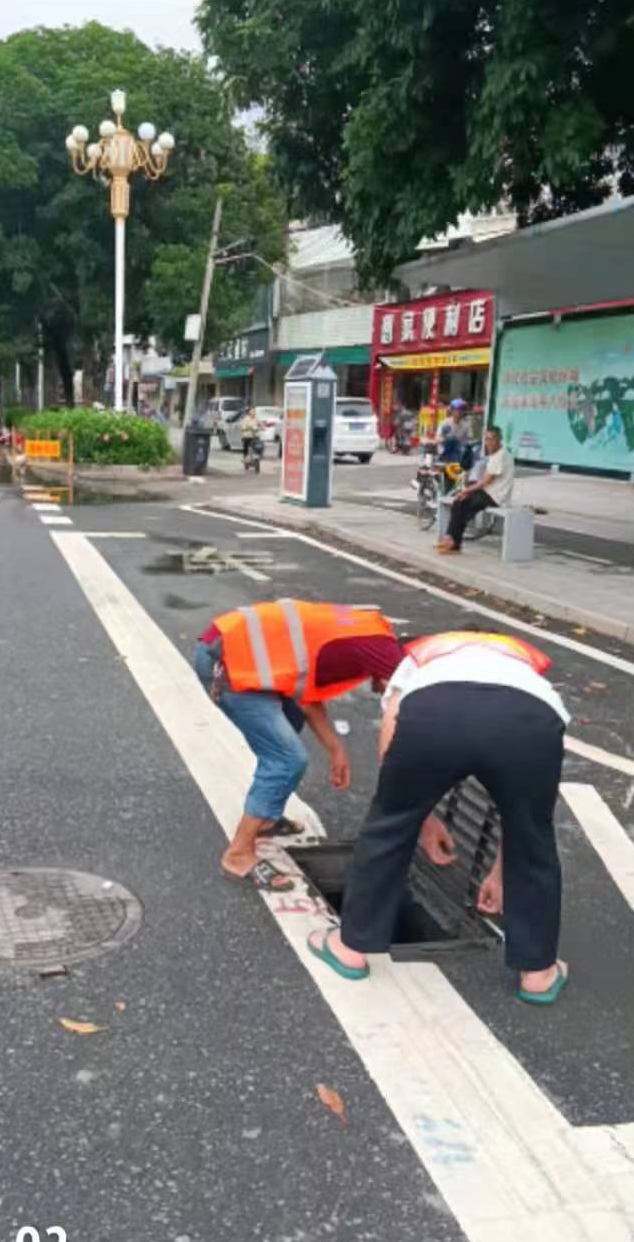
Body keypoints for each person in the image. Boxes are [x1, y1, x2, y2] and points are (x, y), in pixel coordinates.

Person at [307, 628, 570, 1004]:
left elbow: (391, 757)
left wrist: (419, 818)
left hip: (435, 714)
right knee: (535, 838)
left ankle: (350, 948)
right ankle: (539, 973)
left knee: (387, 827)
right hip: (529, 721)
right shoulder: (521, 664)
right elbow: (525, 816)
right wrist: (500, 871)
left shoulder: (420, 658)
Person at [195, 601, 406, 891]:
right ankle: (238, 854)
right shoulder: (390, 660)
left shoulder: (371, 634)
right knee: (287, 759)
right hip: (230, 663)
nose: (376, 690)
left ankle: (266, 819)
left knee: (287, 727)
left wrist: (336, 750)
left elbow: (304, 695)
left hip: (242, 654)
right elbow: (401, 711)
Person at [436, 427, 514, 553]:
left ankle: (452, 541)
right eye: (486, 439)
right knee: (458, 502)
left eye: (491, 439)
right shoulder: (496, 454)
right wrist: (467, 491)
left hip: (496, 496)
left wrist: (466, 490)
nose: (488, 442)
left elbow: (485, 482)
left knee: (463, 505)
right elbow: (485, 482)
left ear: (499, 439)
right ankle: (452, 541)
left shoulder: (501, 455)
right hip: (489, 492)